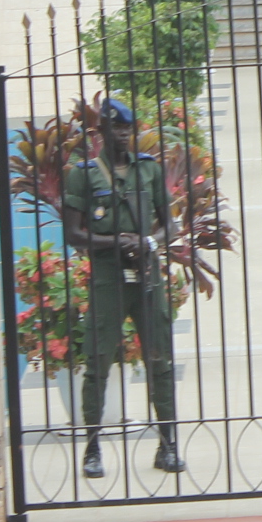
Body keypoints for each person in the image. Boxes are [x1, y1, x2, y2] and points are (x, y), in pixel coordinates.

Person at [59, 97, 182, 478]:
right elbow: (74, 234)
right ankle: (92, 450)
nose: (124, 136)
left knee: (159, 360)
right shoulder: (83, 174)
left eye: (129, 129)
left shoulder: (147, 170)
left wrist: (147, 242)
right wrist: (117, 242)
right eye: (117, 129)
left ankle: (168, 444)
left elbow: (171, 225)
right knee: (97, 362)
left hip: (147, 275)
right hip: (108, 279)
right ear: (101, 132)